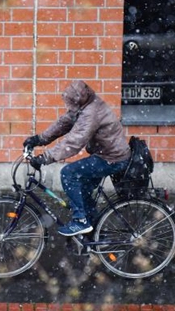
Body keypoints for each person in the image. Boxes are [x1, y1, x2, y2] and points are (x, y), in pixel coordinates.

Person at [23, 80, 131, 236]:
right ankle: (91, 229)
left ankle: (80, 221)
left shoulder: (91, 113)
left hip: (112, 158)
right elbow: (64, 123)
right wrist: (39, 139)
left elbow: (74, 141)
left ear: (78, 99)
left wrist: (45, 158)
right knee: (83, 189)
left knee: (69, 173)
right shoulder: (86, 105)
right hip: (107, 154)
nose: (70, 106)